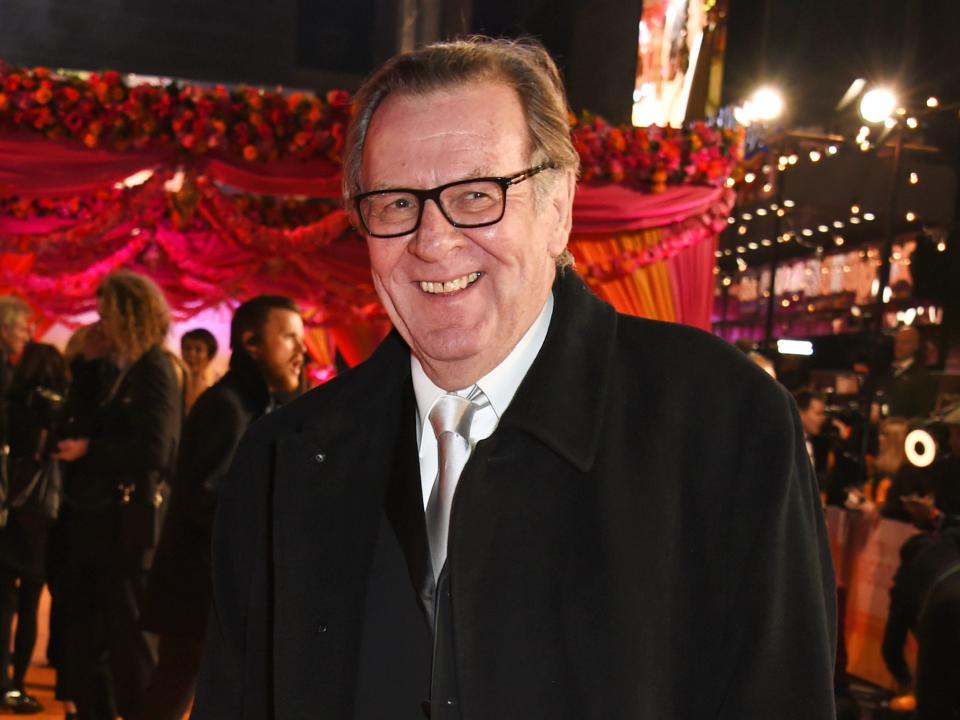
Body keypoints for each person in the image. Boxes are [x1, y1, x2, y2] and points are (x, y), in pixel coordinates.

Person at [193, 37, 836, 719]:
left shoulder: (723, 425)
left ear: (557, 206)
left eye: (478, 195)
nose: (432, 242)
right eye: (395, 203)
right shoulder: (283, 459)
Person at [134, 296, 304, 720]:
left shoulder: (253, 403)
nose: (301, 350)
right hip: (201, 588)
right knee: (179, 687)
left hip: (213, 586)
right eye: (288, 337)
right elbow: (207, 499)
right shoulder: (228, 406)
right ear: (251, 342)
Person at [56, 271, 182, 720]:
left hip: (126, 529)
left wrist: (91, 450)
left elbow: (156, 450)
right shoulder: (123, 368)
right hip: (102, 526)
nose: (99, 323)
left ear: (128, 315)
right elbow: (79, 419)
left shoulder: (154, 369)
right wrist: (88, 366)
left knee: (129, 643)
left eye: (106, 313)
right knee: (97, 641)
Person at [0, 342, 66, 714]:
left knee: (5, 601)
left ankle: (2, 684)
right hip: (39, 512)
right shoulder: (52, 409)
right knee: (28, 604)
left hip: (9, 510)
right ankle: (17, 685)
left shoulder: (9, 404)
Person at [880, 326, 937, 420]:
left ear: (916, 346)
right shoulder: (884, 372)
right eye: (897, 342)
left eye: (905, 342)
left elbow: (921, 415)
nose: (899, 346)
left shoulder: (923, 378)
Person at [180, 328, 219, 414]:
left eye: (198, 350)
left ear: (210, 356)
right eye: (187, 348)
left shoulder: (215, 393)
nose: (191, 354)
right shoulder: (176, 387)